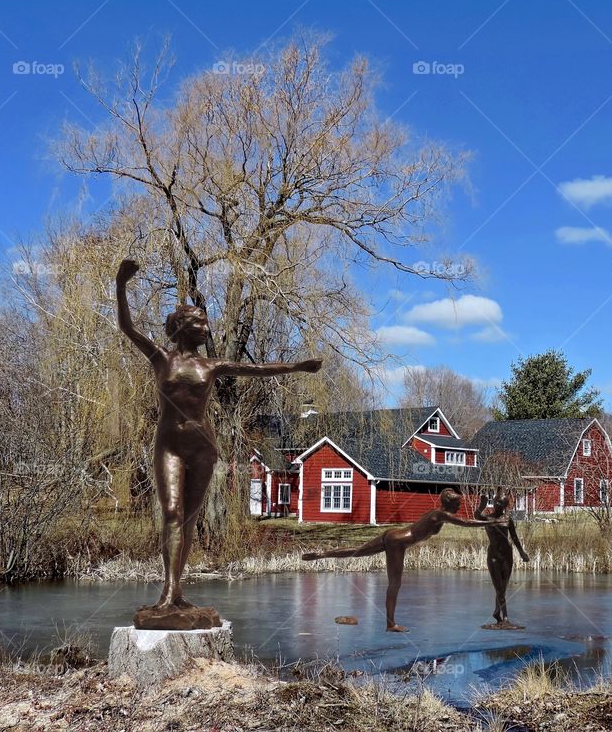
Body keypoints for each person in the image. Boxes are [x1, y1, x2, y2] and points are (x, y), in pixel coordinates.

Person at [116, 258, 322, 613]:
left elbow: (256, 369)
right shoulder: (161, 358)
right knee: (171, 512)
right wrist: (121, 283)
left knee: (191, 517)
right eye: (200, 324)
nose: (207, 329)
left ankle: (177, 591)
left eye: (207, 323)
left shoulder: (209, 366)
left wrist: (297, 366)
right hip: (169, 446)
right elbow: (126, 326)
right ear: (180, 327)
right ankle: (167, 592)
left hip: (203, 447)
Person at [302, 488, 507, 632]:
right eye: (458, 503)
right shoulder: (441, 514)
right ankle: (391, 624)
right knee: (394, 584)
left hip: (394, 534)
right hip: (398, 543)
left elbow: (467, 519)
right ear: (451, 504)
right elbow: (466, 523)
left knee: (358, 551)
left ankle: (321, 554)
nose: (460, 506)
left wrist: (482, 508)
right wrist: (496, 520)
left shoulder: (437, 513)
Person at [475, 489, 529, 628]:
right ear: (494, 503)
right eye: (498, 502)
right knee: (498, 588)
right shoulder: (487, 519)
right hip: (493, 556)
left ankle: (497, 613)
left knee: (503, 588)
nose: (499, 505)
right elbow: (476, 515)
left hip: (507, 555)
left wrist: (522, 553)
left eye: (503, 503)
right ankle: (504, 618)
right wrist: (482, 504)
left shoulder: (507, 519)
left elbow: (515, 538)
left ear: (505, 505)